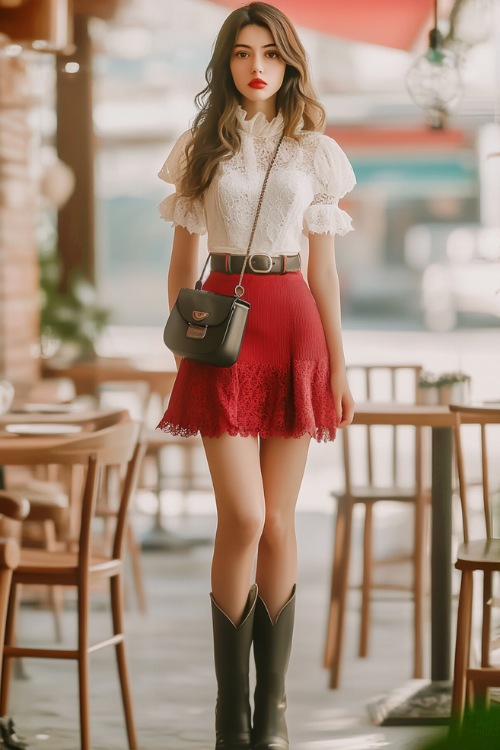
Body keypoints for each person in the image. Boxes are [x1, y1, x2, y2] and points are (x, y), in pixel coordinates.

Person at [157, 3, 356, 748]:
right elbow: (183, 265)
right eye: (241, 53)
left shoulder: (316, 152)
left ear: (289, 61)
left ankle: (268, 713)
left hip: (295, 324)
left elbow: (327, 273)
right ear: (226, 63)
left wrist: (339, 364)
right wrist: (183, 352)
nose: (255, 66)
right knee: (241, 516)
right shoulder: (198, 148)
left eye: (268, 52)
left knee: (277, 523)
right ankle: (226, 709)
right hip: (222, 333)